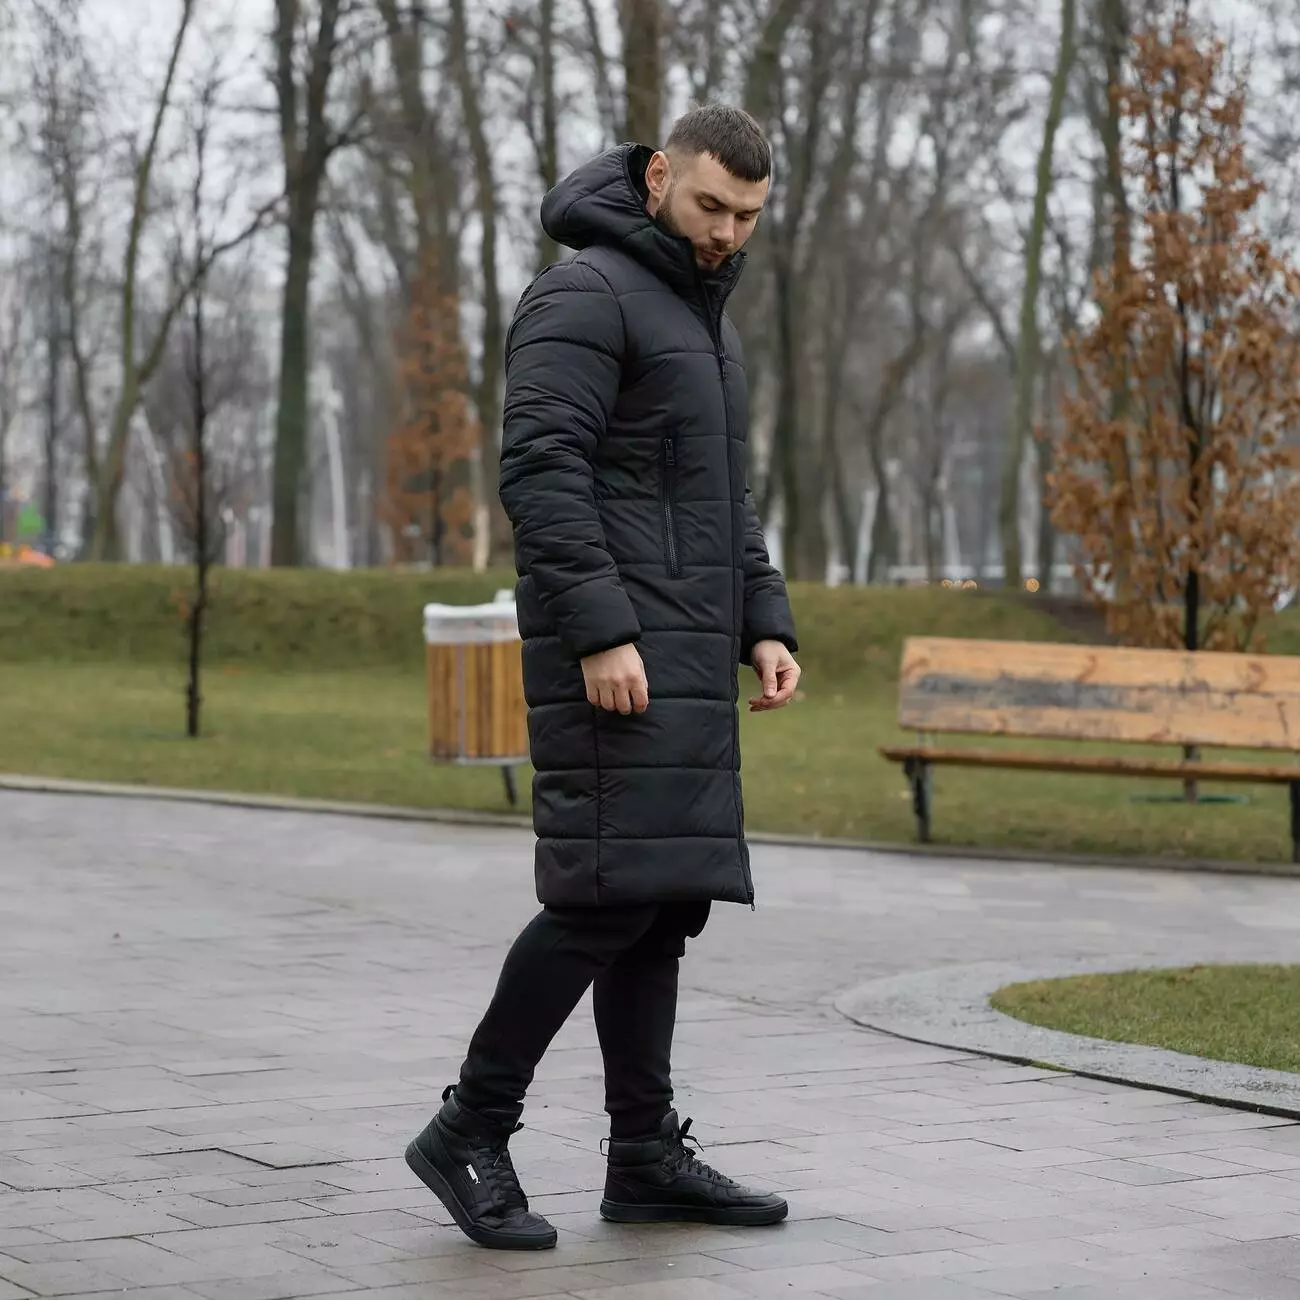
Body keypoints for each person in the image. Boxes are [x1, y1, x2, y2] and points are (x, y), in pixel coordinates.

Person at [405, 104, 801, 1252]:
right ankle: (469, 1127)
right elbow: (541, 468)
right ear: (660, 176)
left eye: (748, 216)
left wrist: (762, 619)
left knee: (662, 899)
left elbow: (721, 498)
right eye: (711, 206)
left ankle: (643, 1154)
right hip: (616, 651)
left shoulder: (702, 320)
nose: (727, 232)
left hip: (685, 647)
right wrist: (597, 631)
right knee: (602, 898)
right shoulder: (582, 294)